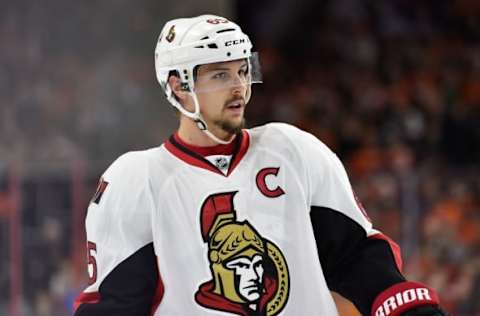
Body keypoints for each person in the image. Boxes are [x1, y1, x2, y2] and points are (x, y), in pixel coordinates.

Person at [73, 14, 449, 316]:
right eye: (220, 74)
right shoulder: (136, 180)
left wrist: (405, 306)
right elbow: (116, 305)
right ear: (177, 86)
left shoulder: (294, 149)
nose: (238, 86)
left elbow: (356, 257)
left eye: (241, 70)